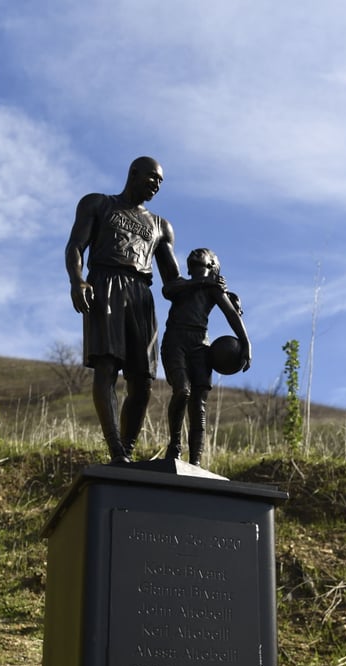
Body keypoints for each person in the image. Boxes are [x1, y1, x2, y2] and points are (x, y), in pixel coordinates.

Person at [65, 157, 180, 463]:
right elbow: (76, 246)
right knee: (107, 366)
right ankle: (115, 448)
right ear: (133, 174)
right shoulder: (98, 204)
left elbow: (172, 281)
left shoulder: (160, 227)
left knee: (142, 380)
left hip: (142, 294)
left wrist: (208, 287)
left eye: (160, 182)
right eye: (151, 178)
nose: (155, 185)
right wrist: (78, 281)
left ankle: (126, 450)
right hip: (106, 284)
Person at [160, 248, 251, 466]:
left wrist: (246, 342)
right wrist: (203, 282)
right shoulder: (181, 285)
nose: (198, 252)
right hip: (176, 341)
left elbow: (231, 314)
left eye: (205, 254)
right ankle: (174, 446)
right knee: (182, 391)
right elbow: (168, 290)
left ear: (212, 265)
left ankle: (196, 461)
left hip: (200, 346)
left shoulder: (214, 290)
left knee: (198, 405)